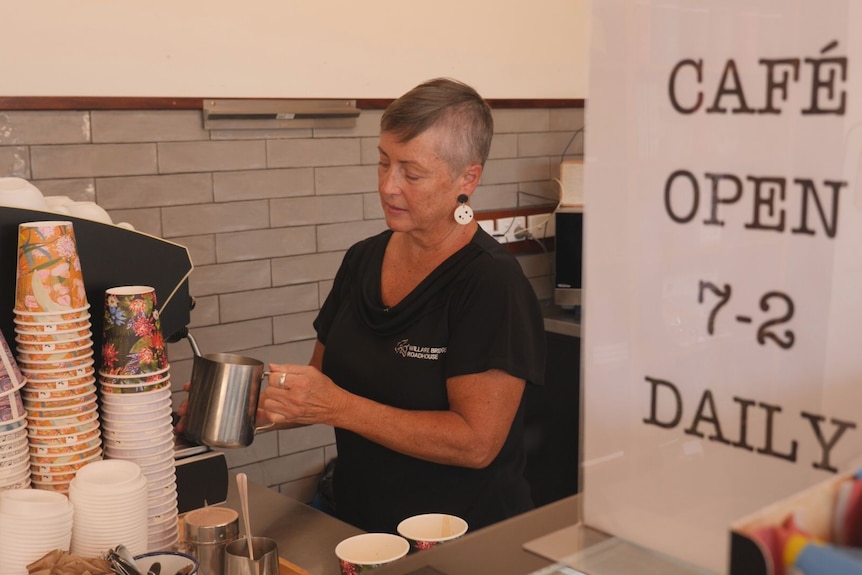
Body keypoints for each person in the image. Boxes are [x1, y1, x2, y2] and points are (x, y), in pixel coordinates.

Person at [256, 78, 545, 534]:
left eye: (411, 173)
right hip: (359, 529)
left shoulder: (491, 284)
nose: (389, 186)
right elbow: (322, 384)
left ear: (467, 178)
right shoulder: (362, 259)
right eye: (382, 163)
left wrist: (339, 408)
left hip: (461, 541)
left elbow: (476, 443)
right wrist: (245, 402)